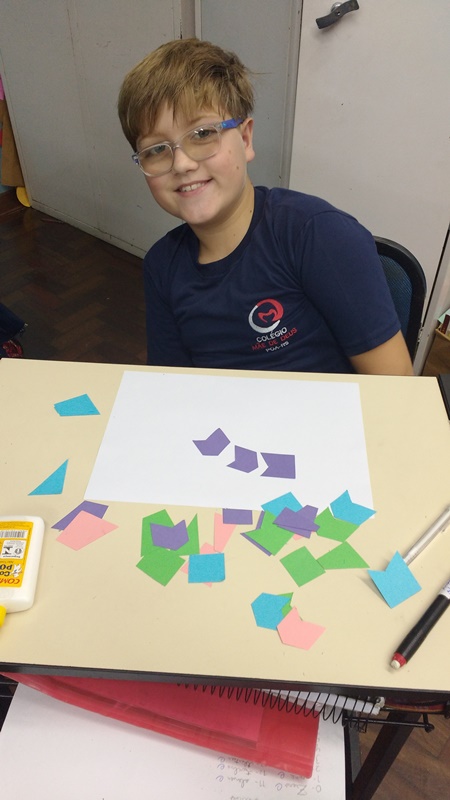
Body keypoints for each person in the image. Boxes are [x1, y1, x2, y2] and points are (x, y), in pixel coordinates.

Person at [118, 38, 413, 375]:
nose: (182, 163)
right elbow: (171, 384)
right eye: (157, 150)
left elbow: (395, 382)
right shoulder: (161, 266)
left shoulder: (317, 234)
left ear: (245, 139)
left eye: (202, 134)